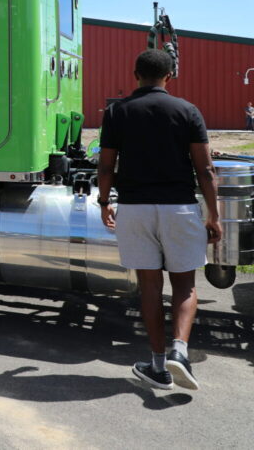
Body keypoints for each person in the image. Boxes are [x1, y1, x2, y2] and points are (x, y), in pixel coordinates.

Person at [98, 49, 221, 391]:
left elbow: (107, 165)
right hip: (179, 208)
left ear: (135, 73)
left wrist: (104, 201)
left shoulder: (116, 112)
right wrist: (214, 215)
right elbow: (206, 169)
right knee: (185, 286)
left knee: (150, 287)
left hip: (135, 209)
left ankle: (156, 365)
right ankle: (179, 353)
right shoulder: (187, 111)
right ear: (170, 76)